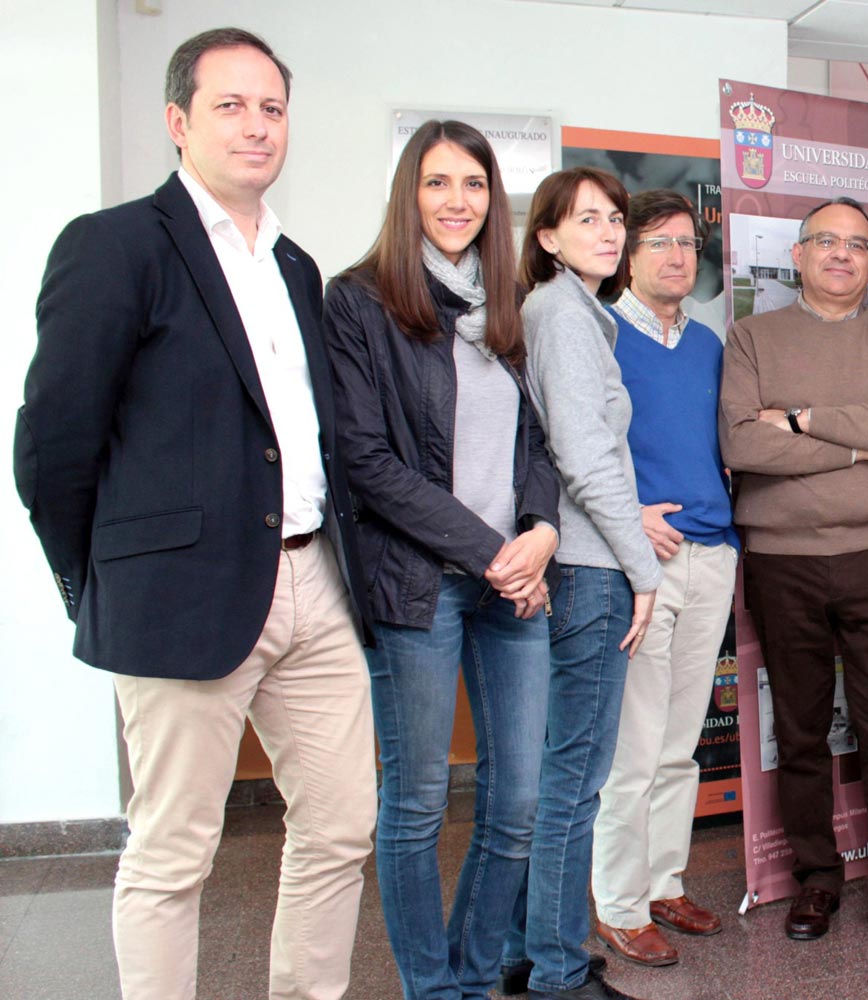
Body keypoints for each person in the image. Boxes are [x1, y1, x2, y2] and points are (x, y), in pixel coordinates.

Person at [14, 28, 377, 1000]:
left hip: (315, 583)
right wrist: (101, 578)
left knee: (342, 825)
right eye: (230, 105)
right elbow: (52, 441)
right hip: (175, 590)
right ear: (179, 122)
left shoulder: (296, 267)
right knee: (175, 850)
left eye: (271, 107)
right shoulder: (117, 245)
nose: (256, 126)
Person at [323, 119, 561, 1000]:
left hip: (514, 585)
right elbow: (368, 461)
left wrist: (540, 531)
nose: (456, 201)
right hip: (418, 585)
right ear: (407, 194)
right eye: (436, 183)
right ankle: (431, 987)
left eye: (473, 185)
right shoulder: (359, 300)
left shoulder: (505, 307)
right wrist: (495, 550)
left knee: (519, 801)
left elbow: (534, 439)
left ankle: (467, 972)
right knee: (418, 804)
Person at [720, 197, 868, 958]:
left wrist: (802, 418)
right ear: (800, 253)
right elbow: (744, 443)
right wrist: (856, 441)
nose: (842, 255)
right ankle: (817, 878)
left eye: (858, 245)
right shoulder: (751, 336)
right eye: (827, 242)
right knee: (801, 732)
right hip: (783, 561)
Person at [493, 166, 660, 1000]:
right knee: (574, 781)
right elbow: (588, 458)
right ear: (548, 237)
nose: (608, 231)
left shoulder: (573, 313)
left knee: (559, 776)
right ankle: (558, 971)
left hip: (585, 561)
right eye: (586, 219)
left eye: (615, 219)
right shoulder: (561, 311)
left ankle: (528, 954)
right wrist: (644, 567)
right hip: (591, 569)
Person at [589, 189, 738, 967]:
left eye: (688, 244)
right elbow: (568, 445)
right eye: (660, 243)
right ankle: (617, 903)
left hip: (712, 557)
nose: (679, 257)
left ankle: (663, 883)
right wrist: (631, 513)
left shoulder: (709, 343)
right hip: (641, 562)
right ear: (626, 252)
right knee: (635, 749)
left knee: (681, 747)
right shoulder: (600, 331)